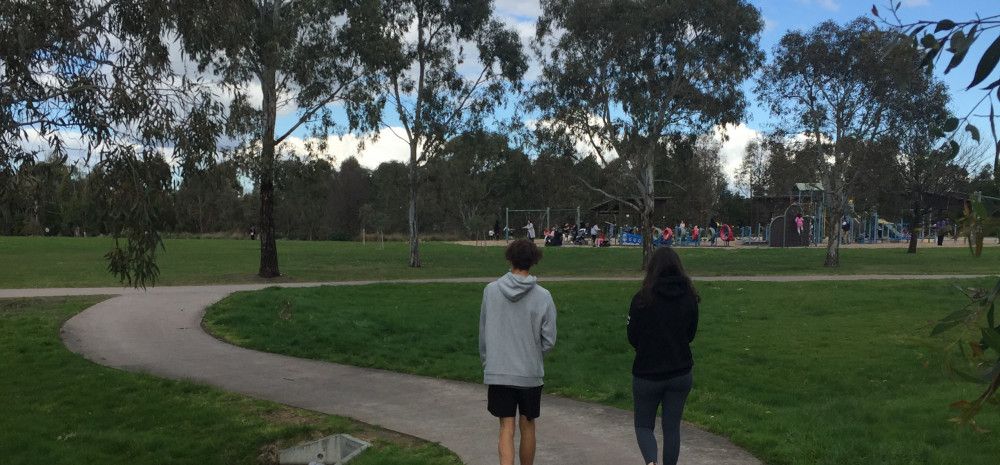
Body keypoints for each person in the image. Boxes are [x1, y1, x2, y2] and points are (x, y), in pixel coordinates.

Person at [480, 239, 557, 465]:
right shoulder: (544, 296)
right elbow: (549, 339)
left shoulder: (491, 291)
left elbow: (483, 333)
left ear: (509, 258)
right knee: (528, 424)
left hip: (498, 370)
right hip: (529, 373)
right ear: (534, 261)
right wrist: (533, 355)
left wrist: (488, 362)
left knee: (506, 426)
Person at [627, 247, 699, 465]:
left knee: (643, 425)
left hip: (647, 372)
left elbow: (632, 336)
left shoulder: (641, 299)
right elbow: (690, 333)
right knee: (672, 427)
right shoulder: (689, 297)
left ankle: (651, 461)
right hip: (680, 370)